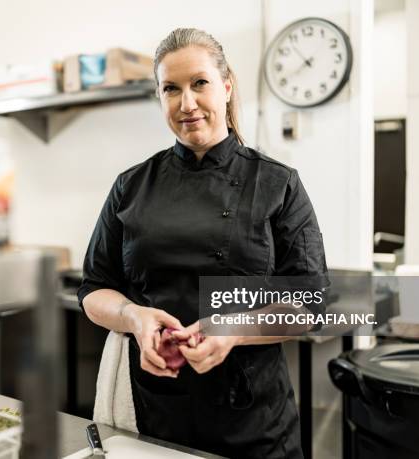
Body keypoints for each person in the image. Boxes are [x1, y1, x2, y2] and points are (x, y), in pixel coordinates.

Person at [77, 28, 328, 459]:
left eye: (200, 83)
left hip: (252, 421)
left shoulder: (276, 183)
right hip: (156, 412)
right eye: (171, 89)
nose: (186, 103)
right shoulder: (131, 186)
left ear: (226, 86)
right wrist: (133, 317)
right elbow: (93, 288)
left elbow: (311, 302)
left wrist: (230, 330)